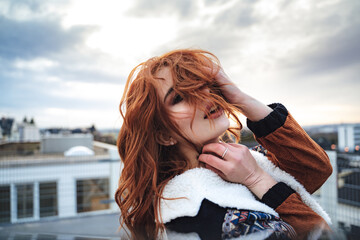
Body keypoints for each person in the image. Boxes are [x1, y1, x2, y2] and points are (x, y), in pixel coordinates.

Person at [115, 49, 333, 240]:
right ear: (163, 135)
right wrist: (256, 179)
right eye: (180, 97)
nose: (204, 95)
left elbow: (314, 170)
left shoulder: (241, 163)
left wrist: (240, 98)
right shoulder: (202, 212)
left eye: (202, 85)